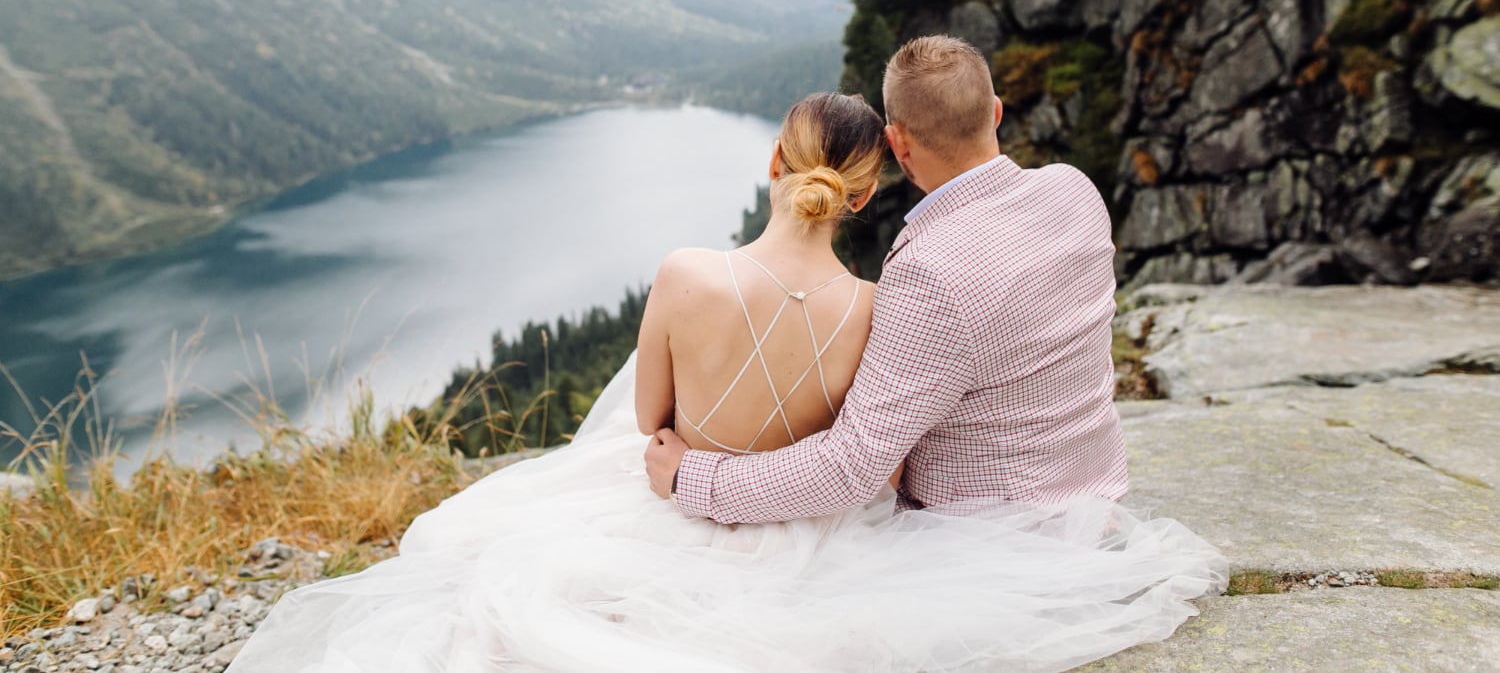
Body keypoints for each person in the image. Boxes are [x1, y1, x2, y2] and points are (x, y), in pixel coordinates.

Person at [228, 78, 1224, 673]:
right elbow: (867, 463)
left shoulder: (684, 275)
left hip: (683, 496)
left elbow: (650, 424)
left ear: (773, 167)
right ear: (867, 190)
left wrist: (683, 470)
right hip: (811, 529)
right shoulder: (880, 305)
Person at [647, 34, 1129, 521]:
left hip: (992, 534)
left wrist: (691, 478)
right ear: (996, 112)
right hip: (1096, 492)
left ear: (896, 144)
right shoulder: (1075, 189)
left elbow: (851, 468)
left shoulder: (928, 272)